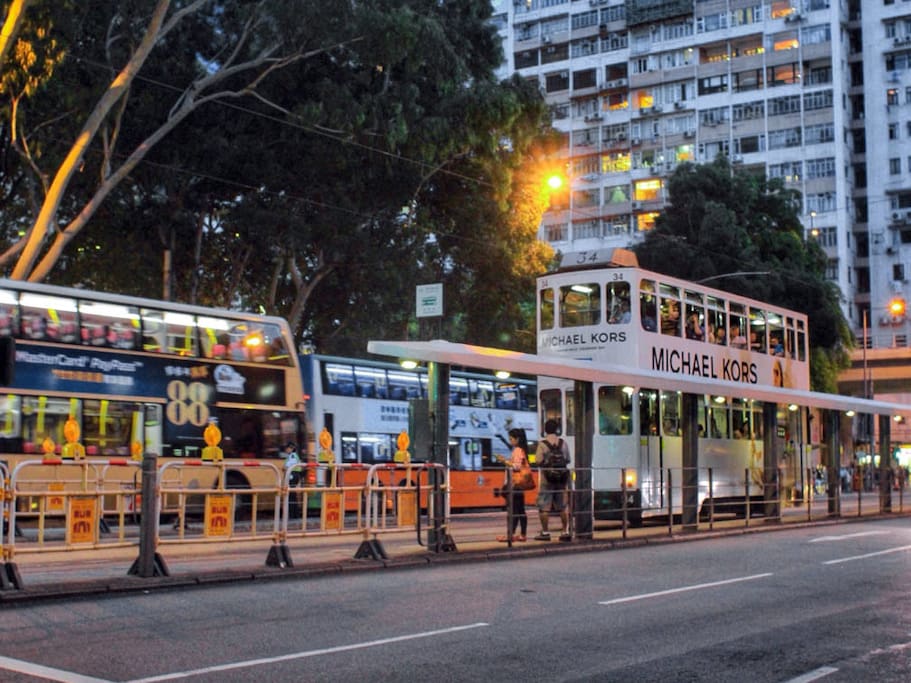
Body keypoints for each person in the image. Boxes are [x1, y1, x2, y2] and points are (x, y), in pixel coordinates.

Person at [534, 419, 571, 542]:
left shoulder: (542, 444)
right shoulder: (563, 443)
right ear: (557, 430)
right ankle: (565, 531)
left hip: (547, 479)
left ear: (545, 430)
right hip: (561, 479)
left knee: (544, 507)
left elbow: (538, 461)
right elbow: (567, 459)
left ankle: (545, 532)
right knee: (562, 507)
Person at [497, 428, 530, 542]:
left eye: (511, 439)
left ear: (517, 439)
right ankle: (522, 534)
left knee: (514, 511)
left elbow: (516, 466)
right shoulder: (522, 450)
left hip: (515, 484)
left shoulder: (517, 450)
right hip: (519, 484)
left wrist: (504, 461)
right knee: (520, 510)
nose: (510, 441)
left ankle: (511, 535)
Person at [283, 442, 302, 517]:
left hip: (293, 475)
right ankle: (294, 514)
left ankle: (293, 514)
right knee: (292, 495)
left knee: (291, 495)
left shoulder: (293, 456)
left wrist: (284, 467)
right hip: (293, 475)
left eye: (287, 448)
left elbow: (288, 465)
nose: (286, 449)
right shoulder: (291, 455)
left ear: (292, 448)